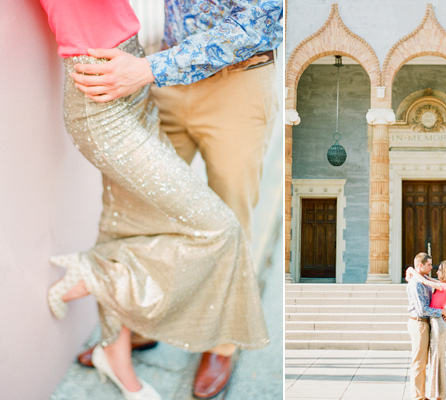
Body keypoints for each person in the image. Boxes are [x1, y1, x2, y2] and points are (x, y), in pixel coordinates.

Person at [40, 1, 272, 399]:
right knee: (138, 213)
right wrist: (151, 69)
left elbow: (258, 21)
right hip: (159, 76)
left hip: (234, 81)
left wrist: (149, 69)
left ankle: (222, 345)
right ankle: (136, 329)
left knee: (228, 217)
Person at [407, 260, 446, 400]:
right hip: (435, 321)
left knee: (436, 359)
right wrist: (412, 270)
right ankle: (437, 393)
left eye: (439, 270)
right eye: (430, 266)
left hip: (437, 324)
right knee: (435, 359)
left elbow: (426, 281)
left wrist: (412, 270)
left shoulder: (445, 287)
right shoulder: (444, 285)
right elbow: (428, 279)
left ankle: (439, 395)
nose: (435, 271)